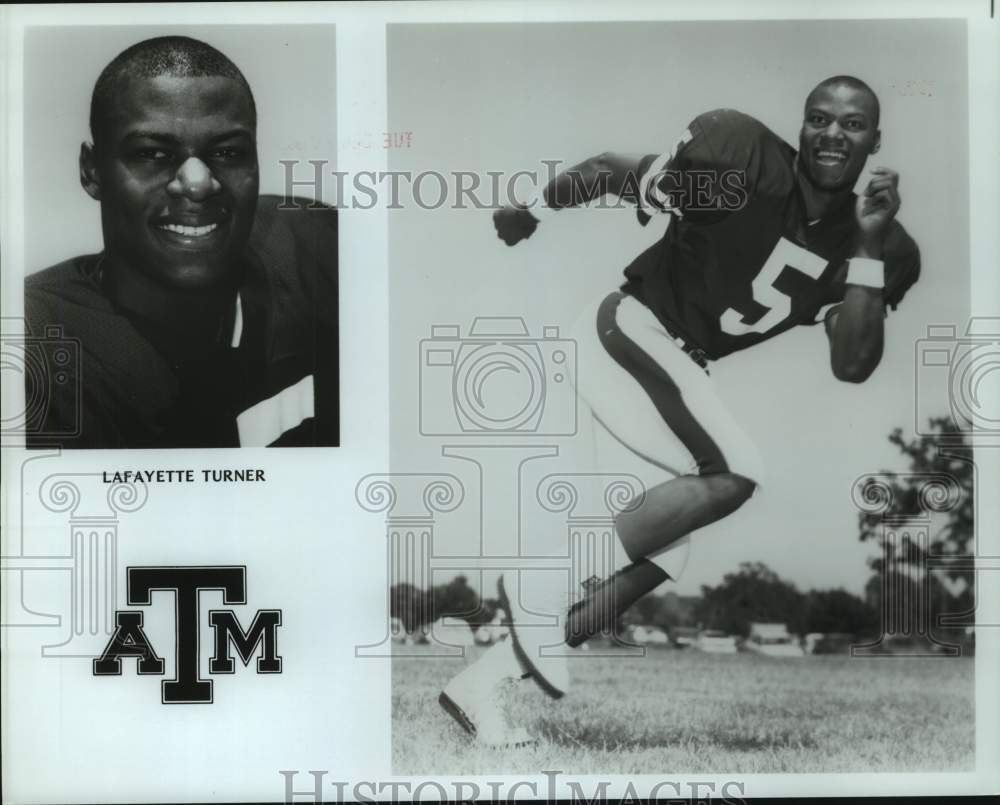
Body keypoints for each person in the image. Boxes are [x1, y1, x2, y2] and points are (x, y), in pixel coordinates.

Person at [440, 76, 919, 746]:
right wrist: (531, 211)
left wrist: (868, 246)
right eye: (820, 119)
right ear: (802, 125)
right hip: (630, 329)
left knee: (663, 556)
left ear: (876, 139)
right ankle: (542, 579)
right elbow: (611, 172)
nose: (833, 134)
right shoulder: (740, 170)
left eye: (853, 124)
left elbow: (853, 362)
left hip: (677, 364)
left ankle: (482, 685)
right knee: (734, 471)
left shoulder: (880, 247)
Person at [24, 36, 338, 448]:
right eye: (153, 154)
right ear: (92, 172)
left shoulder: (317, 245)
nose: (197, 183)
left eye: (227, 152)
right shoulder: (39, 351)